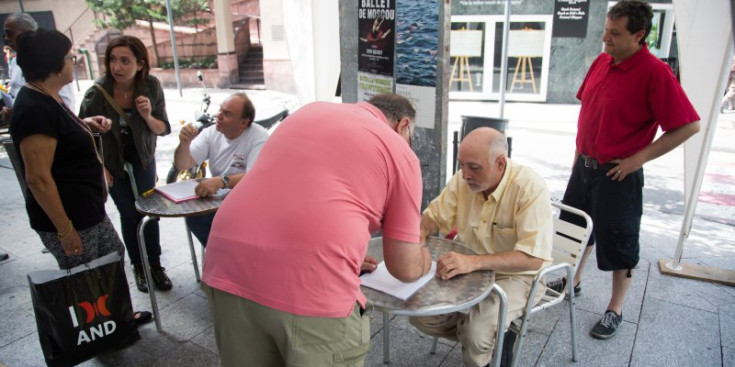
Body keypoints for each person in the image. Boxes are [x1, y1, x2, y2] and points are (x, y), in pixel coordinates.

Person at [200, 93, 432, 367]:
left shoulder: (309, 112)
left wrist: (343, 255)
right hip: (312, 293)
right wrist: (425, 257)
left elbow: (298, 196)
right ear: (403, 125)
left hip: (226, 264)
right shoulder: (399, 149)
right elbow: (404, 268)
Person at [547, 0, 700, 340]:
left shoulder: (655, 72)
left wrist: (638, 160)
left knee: (620, 242)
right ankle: (573, 280)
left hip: (619, 173)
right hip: (584, 166)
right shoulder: (602, 62)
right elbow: (589, 113)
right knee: (575, 231)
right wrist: (578, 155)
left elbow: (689, 126)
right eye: (605, 30)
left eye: (615, 34)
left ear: (640, 35)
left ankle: (615, 308)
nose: (605, 39)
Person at [8, 28, 151, 325]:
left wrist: (84, 125)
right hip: (68, 217)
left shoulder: (48, 97)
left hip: (87, 209)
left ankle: (118, 317)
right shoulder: (33, 109)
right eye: (70, 57)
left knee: (110, 258)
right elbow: (37, 178)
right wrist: (65, 230)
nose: (73, 62)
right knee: (86, 276)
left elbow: (58, 137)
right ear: (53, 64)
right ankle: (101, 332)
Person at [408, 127, 552, 367]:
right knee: (420, 314)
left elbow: (532, 259)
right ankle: (493, 335)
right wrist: (419, 234)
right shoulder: (462, 180)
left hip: (516, 276)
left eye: (474, 167)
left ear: (500, 163)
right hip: (469, 268)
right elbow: (434, 217)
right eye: (461, 165)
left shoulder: (529, 187)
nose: (465, 175)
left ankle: (484, 340)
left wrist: (474, 262)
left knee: (476, 335)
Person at [78, 35, 172, 293]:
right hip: (111, 162)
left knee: (150, 212)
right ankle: (138, 266)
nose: (116, 67)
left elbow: (163, 129)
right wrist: (100, 167)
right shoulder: (97, 92)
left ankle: (155, 264)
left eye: (124, 61)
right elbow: (80, 133)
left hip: (143, 158)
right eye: (112, 60)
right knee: (130, 214)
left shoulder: (151, 86)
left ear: (140, 64)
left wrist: (147, 115)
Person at [173, 92, 268, 247]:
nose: (219, 116)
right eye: (220, 110)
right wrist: (184, 144)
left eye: (227, 114)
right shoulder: (211, 132)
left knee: (224, 223)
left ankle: (226, 257)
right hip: (220, 201)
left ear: (243, 122)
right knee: (193, 217)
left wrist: (221, 181)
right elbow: (183, 165)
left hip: (250, 202)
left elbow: (255, 178)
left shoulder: (258, 137)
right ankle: (221, 257)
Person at [1, 13, 75, 121]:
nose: (6, 39)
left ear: (27, 32)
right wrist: (15, 113)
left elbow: (66, 106)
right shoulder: (16, 63)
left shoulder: (48, 62)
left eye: (9, 33)